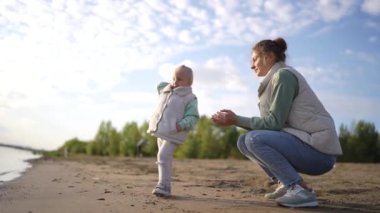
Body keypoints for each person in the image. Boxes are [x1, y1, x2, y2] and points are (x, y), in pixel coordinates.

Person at [211, 37, 342, 208]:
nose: (251, 65)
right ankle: (285, 182)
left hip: (320, 153)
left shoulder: (283, 76)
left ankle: (298, 189)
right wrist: (235, 121)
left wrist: (236, 119)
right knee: (243, 141)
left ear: (269, 57)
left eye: (254, 59)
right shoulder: (273, 80)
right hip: (304, 146)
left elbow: (274, 124)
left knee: (254, 139)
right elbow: (272, 126)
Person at [147, 65, 199, 197]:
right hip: (162, 131)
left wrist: (180, 125)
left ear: (189, 82)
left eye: (179, 79)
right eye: (174, 78)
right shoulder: (167, 91)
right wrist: (172, 82)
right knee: (165, 158)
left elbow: (193, 117)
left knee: (163, 156)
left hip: (174, 132)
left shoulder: (189, 98)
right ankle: (165, 185)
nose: (175, 82)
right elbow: (160, 85)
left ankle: (163, 185)